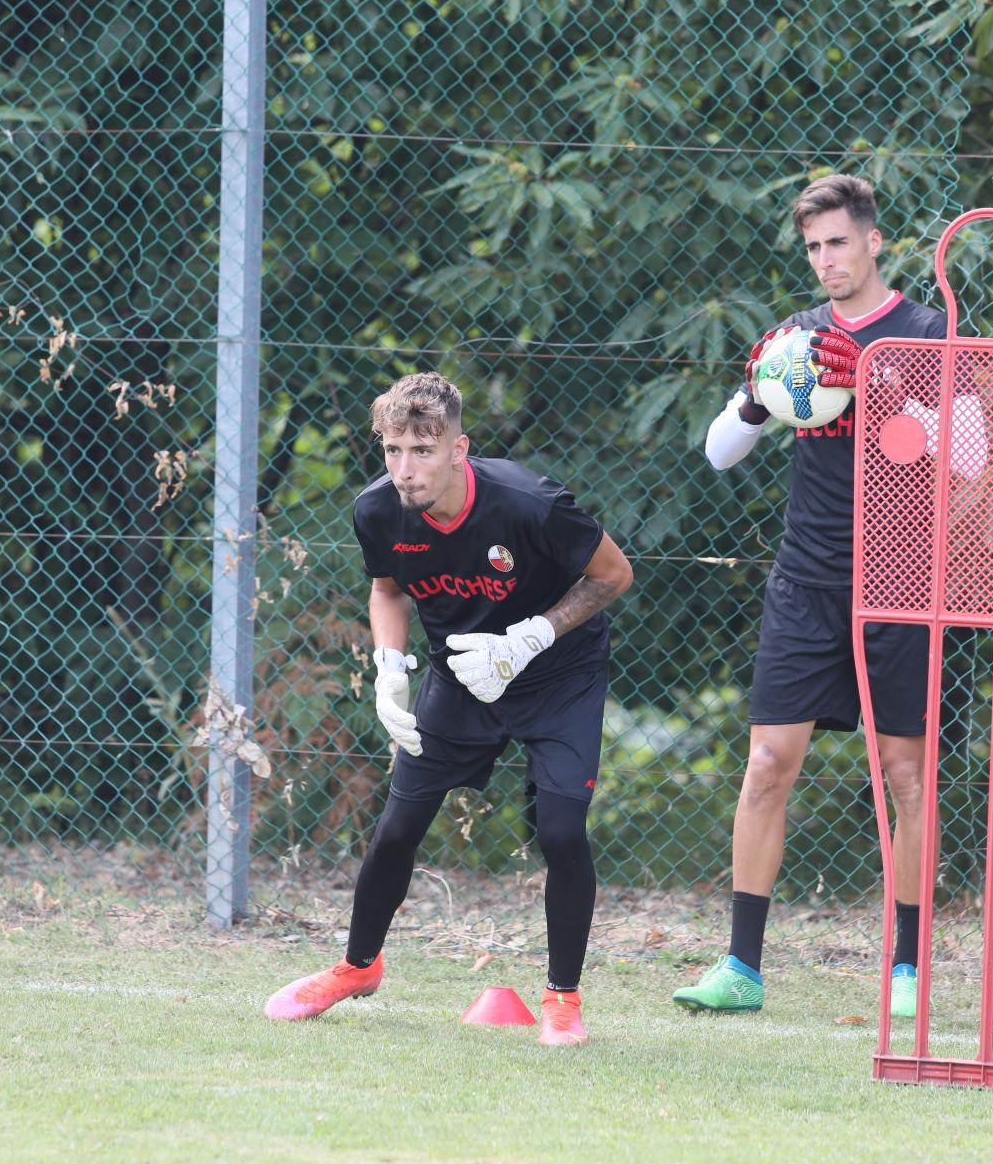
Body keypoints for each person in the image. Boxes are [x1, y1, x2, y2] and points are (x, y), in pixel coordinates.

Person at [264, 372, 634, 1047]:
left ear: (458, 449)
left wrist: (528, 638)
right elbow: (388, 591)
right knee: (397, 829)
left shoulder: (530, 503)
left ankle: (563, 999)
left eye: (422, 451)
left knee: (559, 832)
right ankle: (358, 967)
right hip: (460, 677)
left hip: (559, 676)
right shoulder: (378, 510)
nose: (405, 469)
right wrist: (388, 669)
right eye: (393, 450)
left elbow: (614, 575)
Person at [673, 174, 946, 1020]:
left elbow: (970, 456)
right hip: (807, 580)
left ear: (874, 242)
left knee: (906, 775)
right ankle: (741, 968)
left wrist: (879, 384)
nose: (827, 260)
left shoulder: (927, 333)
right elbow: (719, 451)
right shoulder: (798, 339)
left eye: (839, 243)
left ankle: (908, 969)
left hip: (903, 583)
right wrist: (763, 393)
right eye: (814, 247)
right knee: (766, 765)